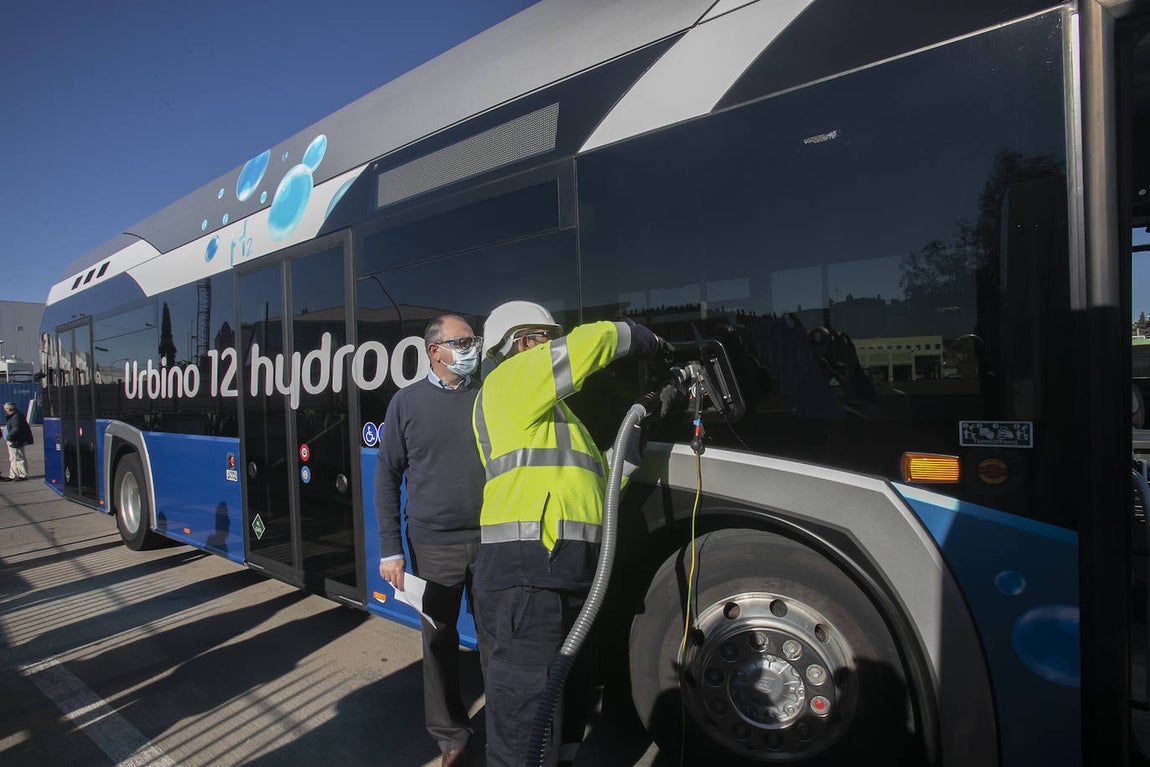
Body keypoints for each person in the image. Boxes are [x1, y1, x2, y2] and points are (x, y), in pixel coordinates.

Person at [471, 301, 663, 767]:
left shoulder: (560, 421)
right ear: (515, 344)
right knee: (525, 719)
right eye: (541, 337)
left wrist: (628, 450)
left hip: (563, 575)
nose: (551, 345)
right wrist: (630, 333)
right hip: (528, 575)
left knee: (565, 710)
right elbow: (582, 348)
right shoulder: (506, 384)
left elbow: (596, 488)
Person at [373, 315, 488, 767]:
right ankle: (451, 736)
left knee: (498, 640)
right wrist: (390, 548)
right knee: (438, 644)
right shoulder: (406, 403)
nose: (472, 348)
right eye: (462, 342)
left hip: (491, 541)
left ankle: (506, 725)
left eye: (473, 340)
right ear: (434, 351)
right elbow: (387, 478)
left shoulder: (486, 397)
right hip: (432, 546)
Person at [3, 401, 34, 482]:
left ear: (9, 408)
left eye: (6, 408)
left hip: (15, 440)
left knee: (19, 458)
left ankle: (23, 475)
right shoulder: (14, 416)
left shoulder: (16, 417)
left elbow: (16, 428)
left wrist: (9, 437)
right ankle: (13, 475)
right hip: (14, 440)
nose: (5, 410)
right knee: (13, 458)